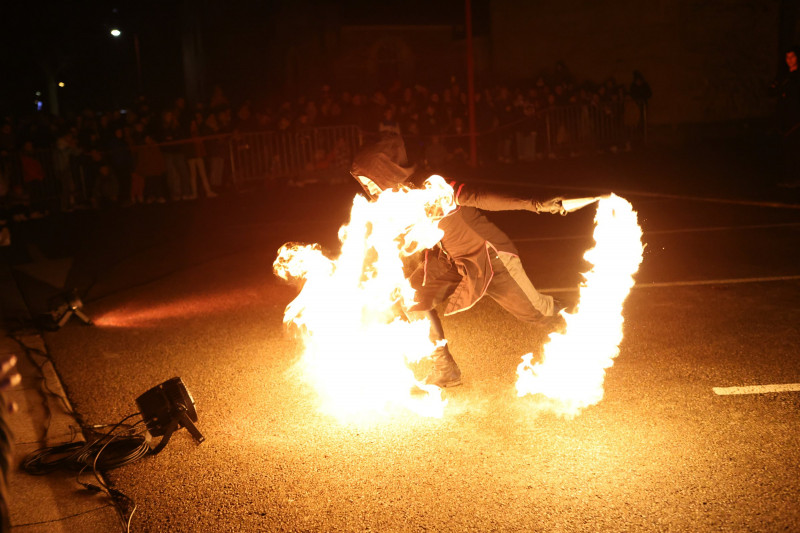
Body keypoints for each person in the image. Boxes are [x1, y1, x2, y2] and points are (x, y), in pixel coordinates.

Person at [350, 133, 567, 388]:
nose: (368, 188)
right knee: (412, 298)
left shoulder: (430, 185)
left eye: (369, 180)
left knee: (537, 313)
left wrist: (534, 203)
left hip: (490, 259)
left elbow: (478, 196)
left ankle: (579, 324)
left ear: (383, 170)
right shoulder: (392, 199)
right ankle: (445, 369)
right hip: (450, 262)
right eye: (363, 183)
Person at [770, 47, 800, 188]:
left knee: (794, 148)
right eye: (787, 57)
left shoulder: (797, 77)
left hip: (796, 119)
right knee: (787, 149)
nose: (790, 60)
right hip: (786, 118)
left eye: (792, 57)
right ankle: (788, 177)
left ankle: (795, 177)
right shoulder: (785, 77)